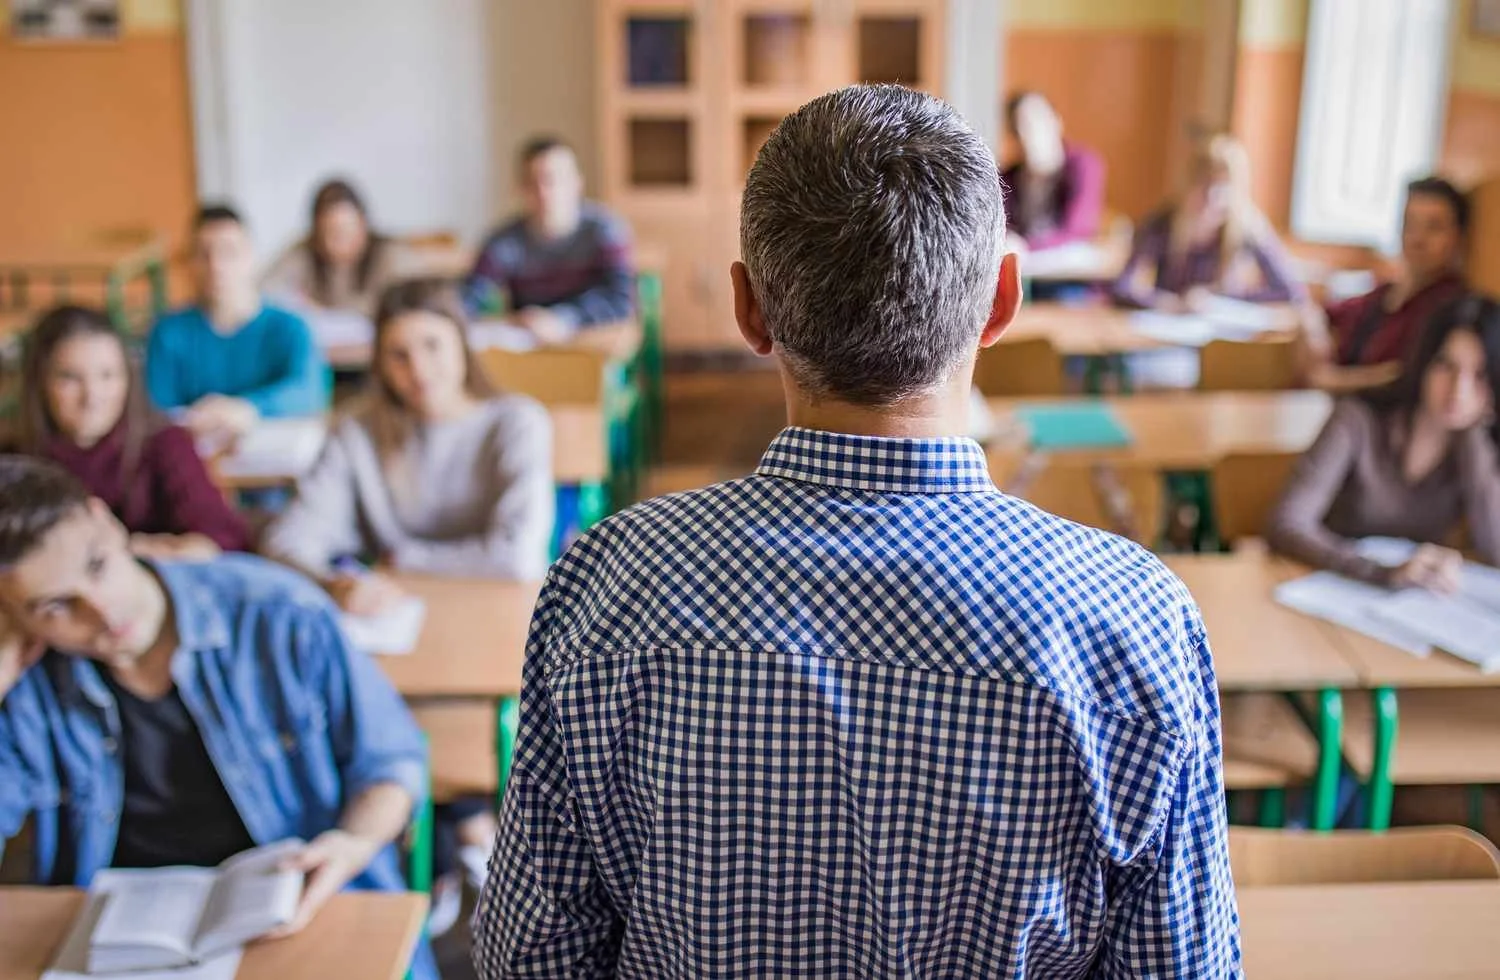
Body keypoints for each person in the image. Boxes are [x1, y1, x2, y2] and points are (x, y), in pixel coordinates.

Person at [473, 85, 1238, 977]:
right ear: (1002, 300)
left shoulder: (608, 582)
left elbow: (531, 960)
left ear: (748, 310)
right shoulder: (1134, 620)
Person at [0, 457, 436, 979]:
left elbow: (392, 761)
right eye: (55, 607)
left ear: (106, 520)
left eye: (97, 567)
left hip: (299, 910)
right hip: (123, 944)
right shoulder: (33, 681)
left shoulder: (277, 612)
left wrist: (355, 842)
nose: (102, 612)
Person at [262, 278, 554, 933]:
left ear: (461, 342)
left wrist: (396, 559)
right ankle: (461, 834)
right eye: (397, 354)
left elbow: (515, 554)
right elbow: (288, 538)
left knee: (461, 726)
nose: (417, 368)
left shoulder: (515, 420)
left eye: (431, 344)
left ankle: (453, 839)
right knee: (379, 718)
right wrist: (337, 581)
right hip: (398, 639)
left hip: (492, 632)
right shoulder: (360, 433)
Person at [1269, 295, 1500, 588]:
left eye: (1479, 376)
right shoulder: (1357, 421)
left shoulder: (1477, 448)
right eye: (1446, 366)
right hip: (1326, 585)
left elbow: (1496, 550)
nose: (1459, 391)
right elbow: (1286, 522)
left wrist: (1473, 436)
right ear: (1423, 363)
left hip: (1405, 609)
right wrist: (1378, 572)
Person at [12, 305, 250, 560]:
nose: (92, 396)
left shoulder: (165, 444)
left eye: (108, 375)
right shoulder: (14, 459)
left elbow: (224, 538)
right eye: (69, 377)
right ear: (40, 383)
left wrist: (149, 552)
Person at [145, 205, 329, 442]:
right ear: (189, 263)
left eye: (229, 252)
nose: (216, 266)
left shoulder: (291, 327)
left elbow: (310, 392)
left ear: (251, 256)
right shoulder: (168, 333)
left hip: (272, 463)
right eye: (204, 254)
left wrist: (245, 409)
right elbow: (156, 410)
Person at [463, 137, 635, 343]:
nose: (544, 192)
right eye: (533, 183)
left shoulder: (605, 231)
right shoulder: (504, 242)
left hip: (591, 341)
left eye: (554, 179)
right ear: (521, 188)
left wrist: (562, 319)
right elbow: (471, 295)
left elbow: (622, 300)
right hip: (530, 346)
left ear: (577, 183)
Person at [1113, 133, 1303, 311]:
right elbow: (1122, 288)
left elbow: (1288, 290)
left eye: (1222, 187)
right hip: (1170, 333)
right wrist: (1171, 304)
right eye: (1204, 185)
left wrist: (1217, 300)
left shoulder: (1248, 226)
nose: (1212, 197)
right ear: (1187, 184)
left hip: (1225, 336)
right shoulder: (1162, 223)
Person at [1315, 177, 1471, 391]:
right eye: (1410, 224)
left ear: (1458, 236)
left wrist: (1335, 380)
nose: (1418, 238)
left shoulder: (1452, 308)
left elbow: (1408, 376)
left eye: (1434, 227)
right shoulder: (1385, 294)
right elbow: (1328, 315)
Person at [262, 179, 418, 320]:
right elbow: (265, 289)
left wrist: (326, 311)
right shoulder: (304, 252)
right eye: (331, 233)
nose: (341, 242)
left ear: (364, 225)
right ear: (316, 235)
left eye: (348, 230)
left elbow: (407, 302)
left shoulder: (391, 255)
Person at [1000, 90, 1105, 252]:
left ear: (1057, 122)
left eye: (1035, 122)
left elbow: (1078, 230)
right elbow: (999, 227)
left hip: (1070, 271)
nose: (1028, 133)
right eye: (1019, 126)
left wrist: (1027, 246)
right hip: (1027, 270)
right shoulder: (1008, 178)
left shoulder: (1084, 166)